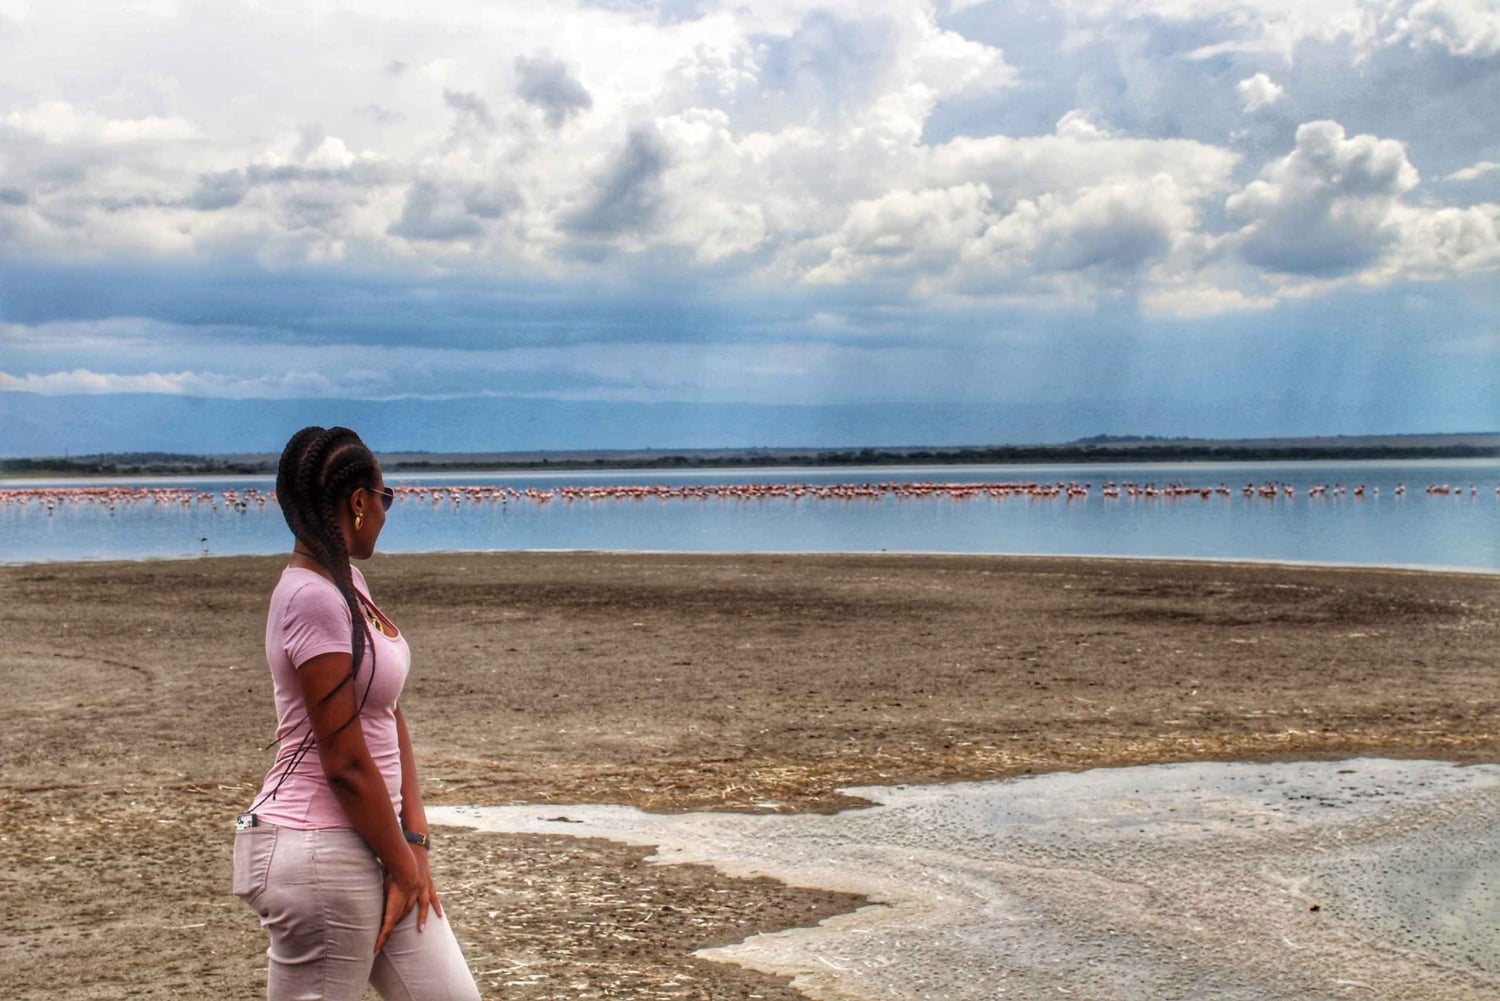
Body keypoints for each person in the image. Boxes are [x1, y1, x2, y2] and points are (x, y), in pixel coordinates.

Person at [233, 426, 480, 1001]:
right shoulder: (310, 597)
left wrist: (413, 841)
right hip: (320, 852)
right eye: (385, 498)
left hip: (374, 842)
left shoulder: (348, 584)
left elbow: (387, 713)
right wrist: (402, 863)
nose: (386, 513)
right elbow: (343, 760)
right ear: (360, 503)